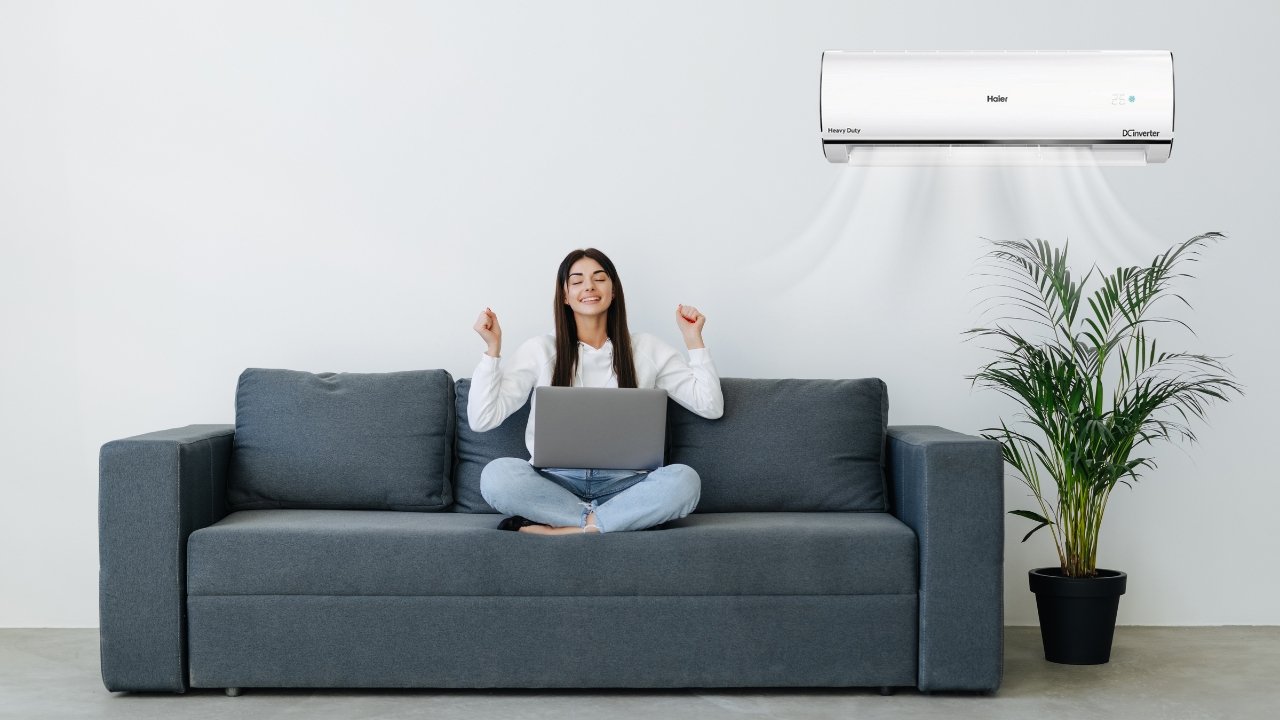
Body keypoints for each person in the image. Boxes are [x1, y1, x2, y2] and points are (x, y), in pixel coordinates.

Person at [468, 247, 724, 535]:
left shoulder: (648, 348)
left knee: (684, 480)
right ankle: (609, 522)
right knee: (497, 476)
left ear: (613, 290)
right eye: (577, 281)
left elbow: (711, 406)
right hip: (554, 483)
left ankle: (571, 526)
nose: (589, 286)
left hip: (627, 486)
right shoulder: (540, 350)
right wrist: (492, 350)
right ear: (564, 296)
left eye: (599, 278)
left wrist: (693, 340)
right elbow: (482, 419)